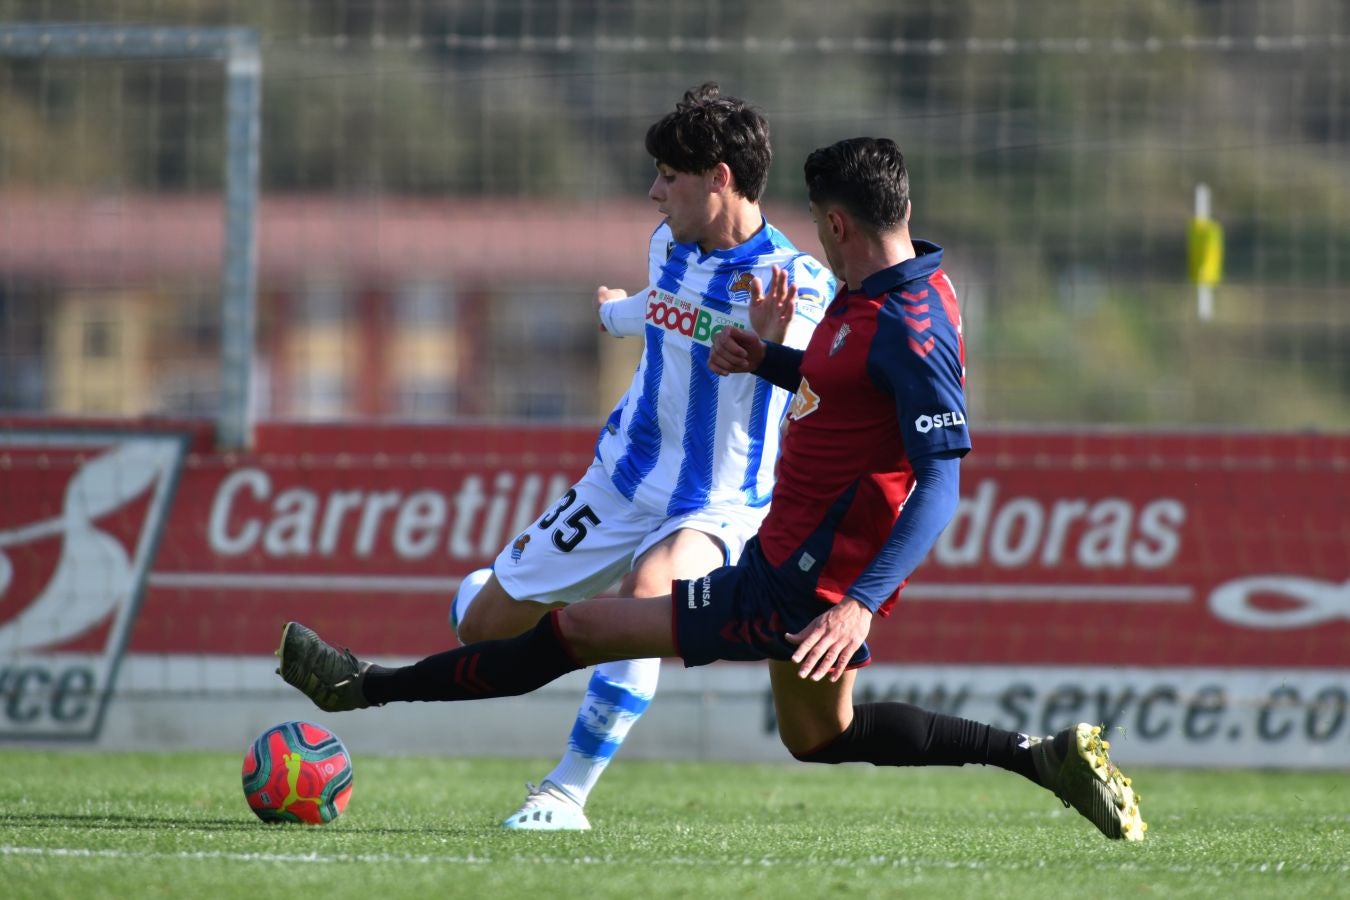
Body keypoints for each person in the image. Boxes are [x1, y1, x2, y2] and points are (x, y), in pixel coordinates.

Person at [277, 137, 1146, 841]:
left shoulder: (905, 330)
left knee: (581, 629)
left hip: (797, 579)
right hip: (797, 562)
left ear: (837, 223)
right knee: (822, 736)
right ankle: (1042, 756)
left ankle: (369, 687)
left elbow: (942, 482)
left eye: (818, 223)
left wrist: (859, 607)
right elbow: (844, 391)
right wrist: (764, 358)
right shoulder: (900, 283)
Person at [444, 83, 834, 830]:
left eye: (669, 176)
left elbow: (816, 377)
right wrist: (611, 313)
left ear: (720, 178)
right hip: (619, 481)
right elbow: (664, 306)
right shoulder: (669, 244)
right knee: (482, 628)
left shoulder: (793, 283)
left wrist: (771, 342)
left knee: (645, 597)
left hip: (716, 503)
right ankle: (498, 593)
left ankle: (563, 793)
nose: (654, 192)